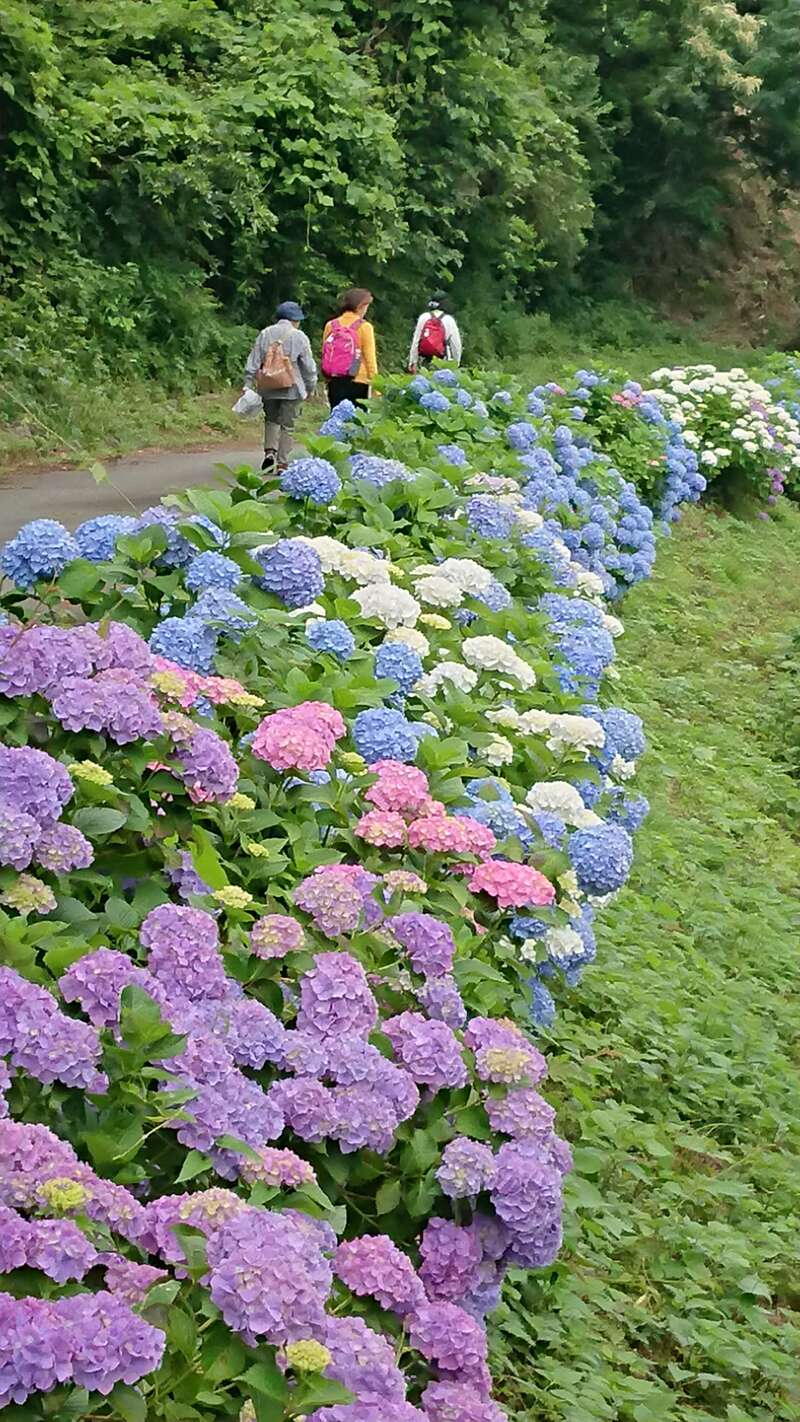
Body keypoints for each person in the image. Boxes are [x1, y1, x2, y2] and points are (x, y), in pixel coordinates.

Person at [243, 300, 317, 474]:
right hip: (292, 388)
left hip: (268, 386)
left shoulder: (265, 333)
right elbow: (308, 366)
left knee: (271, 420)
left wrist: (247, 383)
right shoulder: (299, 336)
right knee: (287, 425)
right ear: (295, 319)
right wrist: (310, 386)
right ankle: (283, 463)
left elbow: (253, 361)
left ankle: (269, 452)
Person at [321, 288, 377, 410]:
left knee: (336, 418)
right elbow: (370, 359)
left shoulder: (331, 325)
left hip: (335, 379)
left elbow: (325, 353)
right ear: (360, 306)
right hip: (358, 380)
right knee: (356, 422)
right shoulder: (365, 327)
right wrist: (377, 385)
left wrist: (326, 377)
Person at [407, 292, 462, 371]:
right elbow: (456, 345)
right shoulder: (449, 320)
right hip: (443, 361)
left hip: (425, 360)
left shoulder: (423, 317)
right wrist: (456, 364)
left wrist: (412, 362)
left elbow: (416, 341)